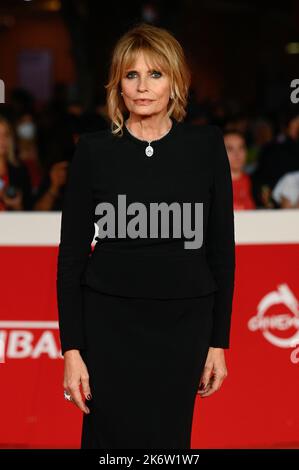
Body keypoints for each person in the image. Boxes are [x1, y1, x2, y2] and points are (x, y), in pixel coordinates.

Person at [56, 22, 236, 449]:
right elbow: (71, 258)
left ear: (175, 82)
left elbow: (221, 251)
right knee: (107, 444)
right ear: (118, 85)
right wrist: (72, 350)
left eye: (155, 74)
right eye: (131, 75)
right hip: (108, 326)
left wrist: (218, 342)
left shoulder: (206, 146)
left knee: (168, 446)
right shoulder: (94, 151)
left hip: (183, 327)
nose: (142, 86)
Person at [223, 129, 256, 210]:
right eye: (230, 149)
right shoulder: (207, 186)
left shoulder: (256, 182)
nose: (237, 154)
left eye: (241, 148)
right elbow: (191, 220)